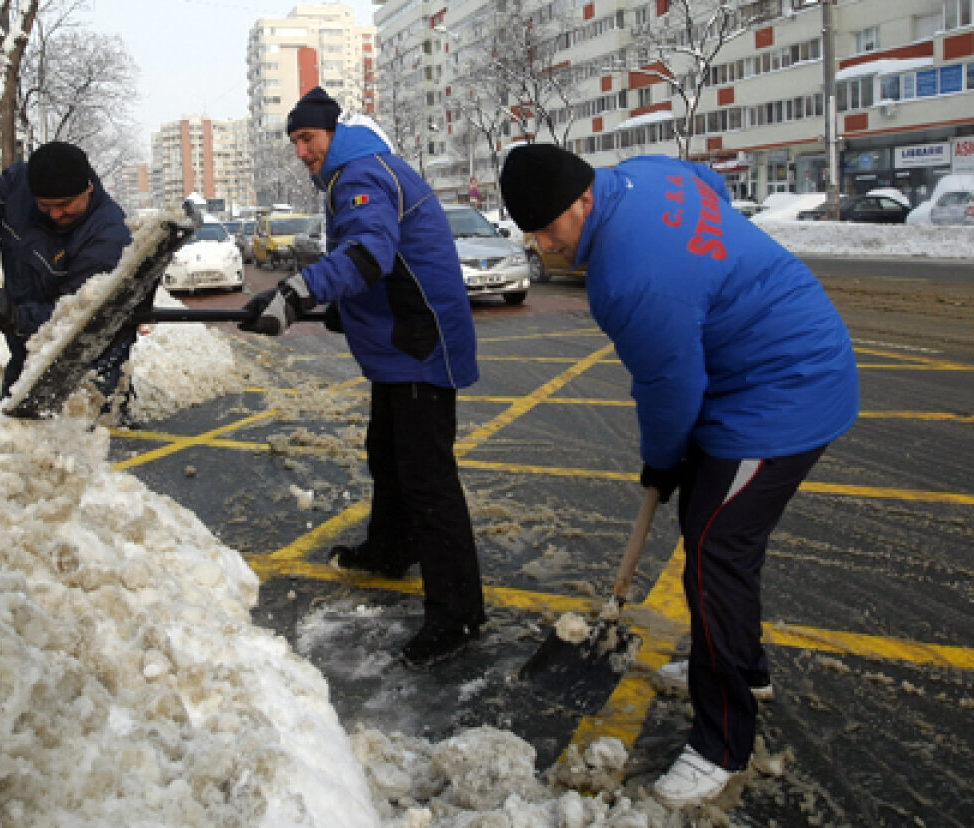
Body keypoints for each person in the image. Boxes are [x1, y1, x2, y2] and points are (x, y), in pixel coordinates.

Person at [499, 145, 859, 808]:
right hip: (773, 364)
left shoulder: (628, 278)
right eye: (533, 234)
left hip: (783, 390)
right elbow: (708, 183)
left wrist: (662, 460)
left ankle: (721, 744)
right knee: (721, 538)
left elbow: (670, 385)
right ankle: (740, 671)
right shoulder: (646, 172)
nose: (546, 245)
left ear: (584, 198)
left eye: (551, 227)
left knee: (714, 548)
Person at [239, 87, 486, 667]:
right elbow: (384, 267)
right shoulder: (362, 169)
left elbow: (369, 253)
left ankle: (458, 616)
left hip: (420, 347)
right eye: (295, 140)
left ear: (333, 134)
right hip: (404, 346)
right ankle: (389, 549)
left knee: (428, 480)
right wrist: (330, 305)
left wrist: (297, 293)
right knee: (389, 453)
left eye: (308, 138)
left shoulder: (359, 176)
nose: (301, 151)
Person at [0, 116, 135, 418]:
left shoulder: (108, 235)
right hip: (28, 355)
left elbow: (77, 318)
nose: (56, 214)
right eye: (46, 206)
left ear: (87, 188)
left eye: (65, 205)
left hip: (88, 365)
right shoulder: (19, 189)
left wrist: (15, 315)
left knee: (85, 442)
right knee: (15, 437)